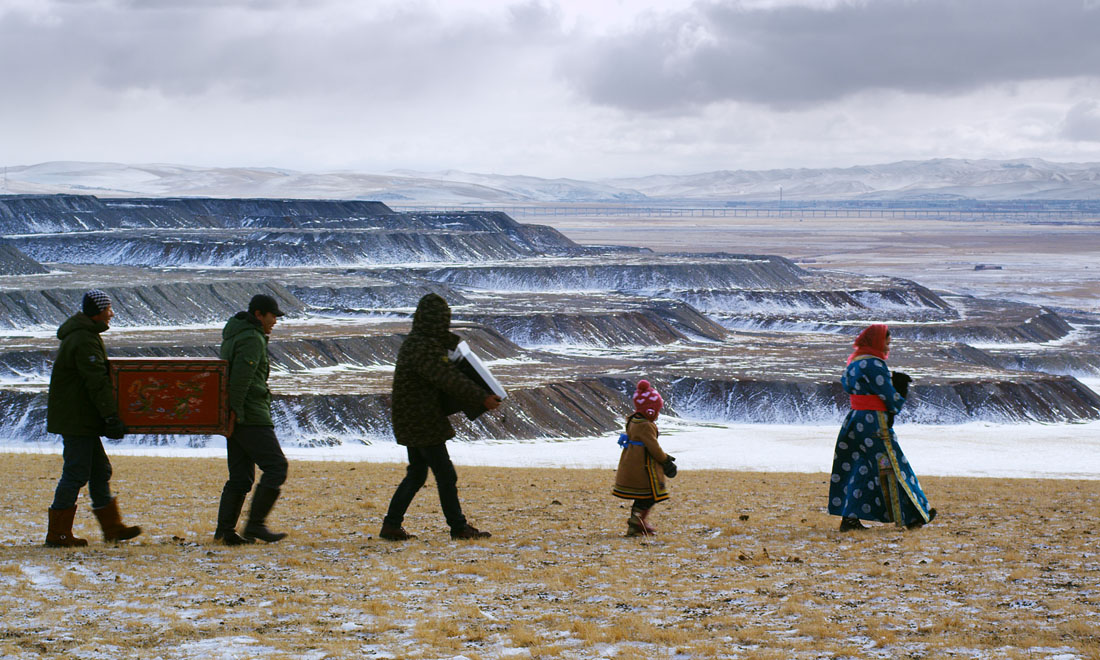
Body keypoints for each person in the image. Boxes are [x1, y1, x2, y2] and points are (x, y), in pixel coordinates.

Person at [380, 293, 502, 541]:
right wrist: (482, 397)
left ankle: (391, 526)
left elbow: (444, 373)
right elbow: (448, 378)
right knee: (445, 474)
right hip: (422, 420)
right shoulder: (423, 348)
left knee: (417, 474)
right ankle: (458, 528)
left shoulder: (419, 343)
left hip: (413, 418)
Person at [45, 290, 142, 547]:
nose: (112, 313)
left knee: (100, 470)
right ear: (97, 311)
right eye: (108, 309)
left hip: (80, 417)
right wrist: (110, 416)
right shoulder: (84, 339)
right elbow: (96, 381)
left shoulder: (84, 335)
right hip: (77, 418)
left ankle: (112, 528)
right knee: (76, 472)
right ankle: (58, 534)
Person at [828, 324, 936, 532]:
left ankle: (850, 519)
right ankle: (913, 515)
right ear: (877, 342)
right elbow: (888, 395)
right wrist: (899, 394)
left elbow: (847, 386)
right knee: (893, 465)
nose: (888, 347)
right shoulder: (875, 365)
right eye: (886, 342)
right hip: (874, 422)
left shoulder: (853, 362)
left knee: (861, 468)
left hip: (855, 420)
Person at [215, 294, 290, 545]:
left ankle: (225, 532)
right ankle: (255, 525)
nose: (275, 321)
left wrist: (230, 414)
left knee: (240, 477)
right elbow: (241, 379)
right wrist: (236, 413)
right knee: (276, 467)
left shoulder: (235, 335)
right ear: (259, 314)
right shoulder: (252, 339)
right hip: (250, 415)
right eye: (272, 316)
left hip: (239, 414)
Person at [612, 380, 677, 537]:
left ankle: (636, 524)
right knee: (651, 494)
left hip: (633, 463)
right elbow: (653, 447)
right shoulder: (646, 425)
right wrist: (666, 461)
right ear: (650, 410)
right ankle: (637, 521)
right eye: (656, 410)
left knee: (644, 496)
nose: (658, 413)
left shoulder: (633, 420)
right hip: (643, 467)